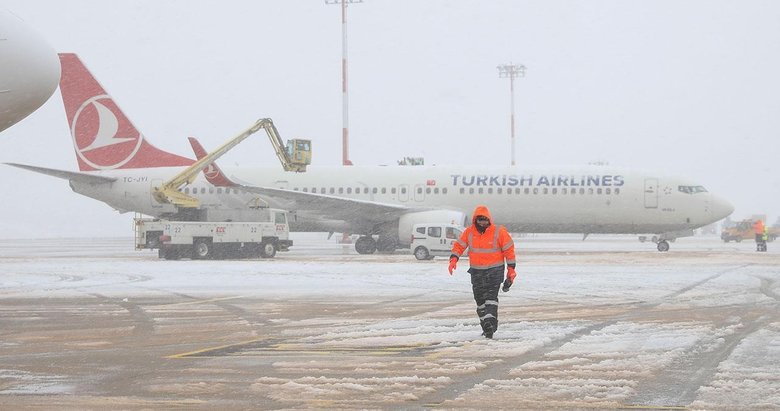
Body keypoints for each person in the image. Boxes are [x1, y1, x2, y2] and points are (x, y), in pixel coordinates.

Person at [448, 205, 516, 339]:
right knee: (480, 301)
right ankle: (487, 325)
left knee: (491, 299)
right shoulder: (469, 232)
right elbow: (459, 245)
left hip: (494, 271)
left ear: (489, 220)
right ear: (476, 220)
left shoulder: (499, 232)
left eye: (485, 220)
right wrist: (454, 259)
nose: (482, 223)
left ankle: (490, 323)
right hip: (477, 272)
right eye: (480, 220)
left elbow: (509, 250)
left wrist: (511, 269)